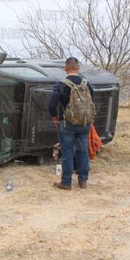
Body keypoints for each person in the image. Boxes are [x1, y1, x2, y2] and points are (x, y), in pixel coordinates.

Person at [48, 57, 94, 190]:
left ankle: (66, 182)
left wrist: (55, 117)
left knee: (67, 152)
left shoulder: (61, 84)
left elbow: (51, 105)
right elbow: (92, 99)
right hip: (85, 123)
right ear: (78, 68)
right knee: (83, 150)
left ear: (65, 69)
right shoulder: (86, 83)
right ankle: (83, 181)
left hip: (67, 123)